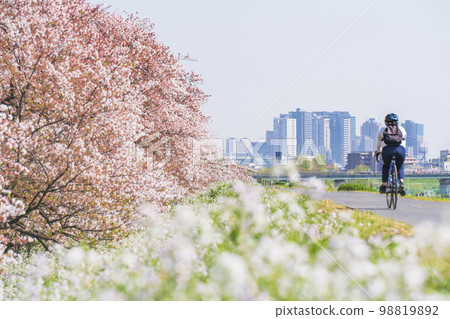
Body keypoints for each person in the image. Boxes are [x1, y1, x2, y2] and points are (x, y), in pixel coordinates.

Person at [375, 113, 407, 196]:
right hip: (400, 150)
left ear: (386, 122)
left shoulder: (383, 129)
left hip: (387, 150)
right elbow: (404, 142)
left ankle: (384, 185)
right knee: (400, 166)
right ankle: (401, 183)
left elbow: (379, 143)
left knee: (386, 166)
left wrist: (378, 151)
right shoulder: (402, 129)